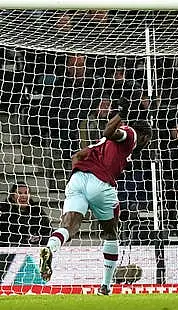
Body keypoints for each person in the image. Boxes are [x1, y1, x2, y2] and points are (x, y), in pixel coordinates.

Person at [39, 98, 152, 295]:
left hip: (77, 179)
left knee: (69, 227)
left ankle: (50, 247)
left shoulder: (99, 146)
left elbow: (78, 155)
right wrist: (122, 114)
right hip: (100, 183)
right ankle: (106, 287)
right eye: (149, 140)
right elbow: (108, 132)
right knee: (111, 233)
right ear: (145, 137)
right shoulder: (132, 134)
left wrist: (81, 175)